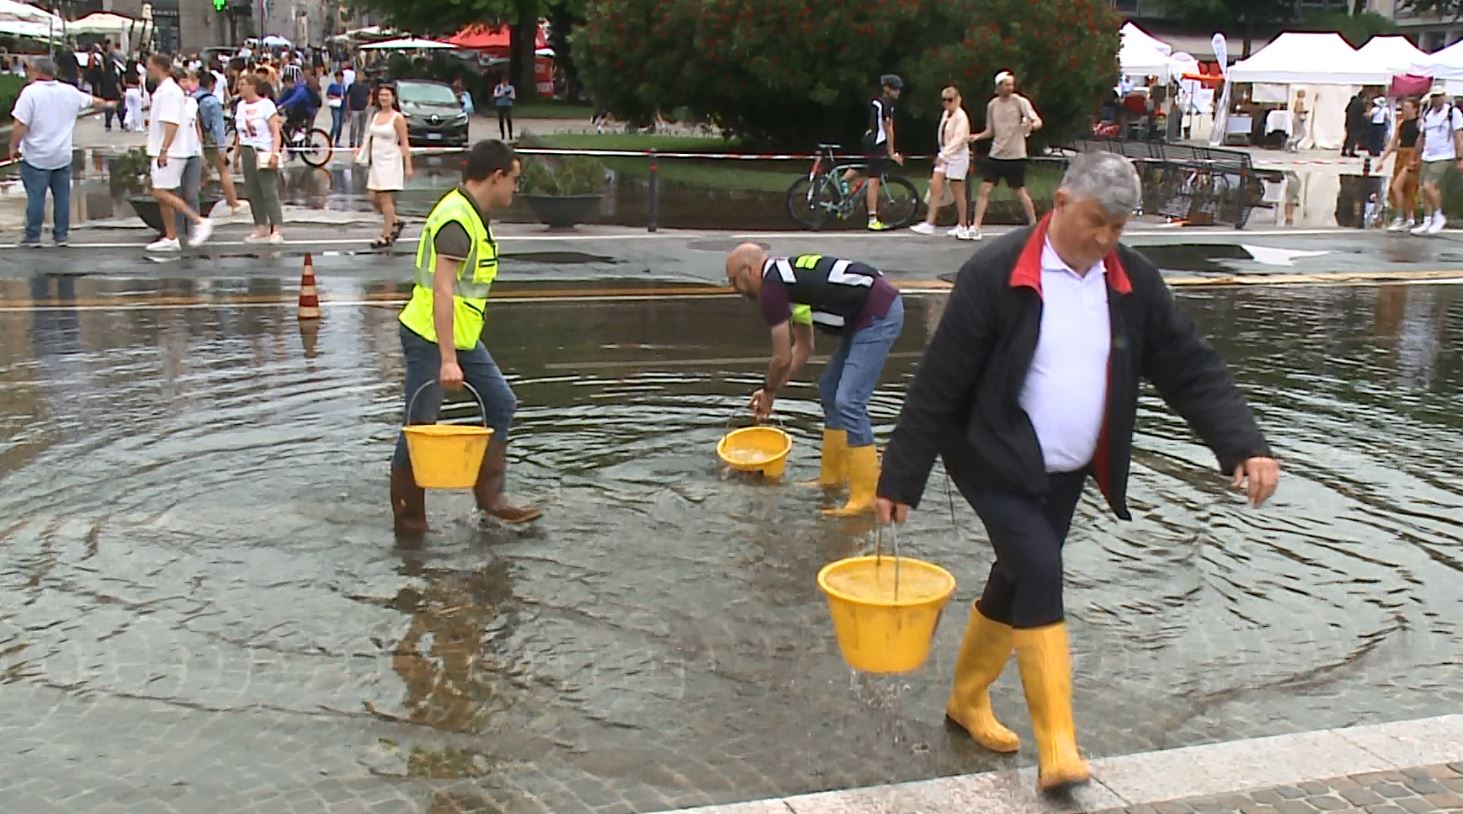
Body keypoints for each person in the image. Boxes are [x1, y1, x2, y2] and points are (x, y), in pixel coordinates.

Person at [873, 152, 1279, 795]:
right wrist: (900, 477)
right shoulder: (995, 272)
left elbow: (1189, 366)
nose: (1104, 239)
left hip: (1066, 470)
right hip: (991, 456)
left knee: (1016, 574)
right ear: (1060, 203)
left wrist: (1243, 445)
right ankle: (1058, 744)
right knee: (1040, 567)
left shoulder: (1133, 282)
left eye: (1119, 228)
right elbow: (939, 380)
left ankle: (966, 701)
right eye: (1095, 222)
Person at [390, 140, 541, 534]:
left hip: (460, 336)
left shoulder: (473, 214)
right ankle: (410, 524)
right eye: (514, 180)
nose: (515, 188)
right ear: (496, 177)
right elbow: (443, 290)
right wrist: (447, 359)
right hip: (430, 336)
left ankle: (490, 499)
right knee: (420, 425)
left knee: (501, 402)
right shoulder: (458, 219)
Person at [723, 246, 904, 516]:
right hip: (862, 317)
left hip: (878, 313)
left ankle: (865, 496)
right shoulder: (787, 281)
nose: (735, 289)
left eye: (734, 281)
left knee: (849, 401)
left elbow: (781, 357)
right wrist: (773, 391)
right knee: (829, 389)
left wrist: (769, 390)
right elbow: (804, 347)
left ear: (749, 271)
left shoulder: (772, 288)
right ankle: (832, 478)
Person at [7, 58, 114, 248]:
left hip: (36, 155)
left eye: (30, 70)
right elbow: (93, 102)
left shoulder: (30, 93)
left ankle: (33, 236)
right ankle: (61, 235)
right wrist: (108, 104)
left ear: (37, 72)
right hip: (61, 155)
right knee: (62, 197)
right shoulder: (69, 91)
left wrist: (14, 147)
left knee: (36, 196)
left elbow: (20, 124)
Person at [144, 55, 213, 252]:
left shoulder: (169, 92)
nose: (148, 71)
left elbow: (171, 122)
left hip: (171, 151)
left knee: (160, 191)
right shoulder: (165, 91)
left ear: (160, 68)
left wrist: (164, 149)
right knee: (164, 192)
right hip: (166, 148)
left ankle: (198, 220)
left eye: (150, 68)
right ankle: (171, 235)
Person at [968, 71, 1043, 241]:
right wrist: (977, 136)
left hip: (1016, 155)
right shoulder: (992, 105)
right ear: (999, 86)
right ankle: (976, 226)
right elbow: (991, 130)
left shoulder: (1020, 102)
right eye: (1006, 84)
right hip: (996, 154)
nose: (1010, 87)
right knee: (984, 189)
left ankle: (1034, 224)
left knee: (1020, 190)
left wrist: (1031, 126)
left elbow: (1037, 121)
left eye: (1012, 84)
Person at [911, 85, 972, 239]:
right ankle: (930, 222)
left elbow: (959, 139)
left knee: (957, 189)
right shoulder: (946, 114)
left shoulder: (961, 117)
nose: (947, 103)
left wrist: (945, 153)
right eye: (944, 100)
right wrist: (942, 152)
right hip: (945, 153)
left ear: (958, 100)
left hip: (957, 155)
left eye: (950, 100)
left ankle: (963, 224)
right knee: (935, 185)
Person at [359, 84, 413, 249]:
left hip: (391, 160)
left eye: (387, 95)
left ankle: (386, 234)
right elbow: (369, 137)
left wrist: (408, 164)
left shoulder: (397, 118)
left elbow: (404, 142)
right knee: (373, 197)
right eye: (381, 95)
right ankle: (395, 220)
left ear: (393, 98)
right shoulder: (376, 116)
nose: (383, 98)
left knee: (385, 197)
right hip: (377, 160)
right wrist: (362, 153)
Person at [234, 73, 285, 244]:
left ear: (252, 86)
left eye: (243, 84)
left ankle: (276, 227)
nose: (240, 87)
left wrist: (274, 153)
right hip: (247, 149)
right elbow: (239, 134)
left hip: (263, 149)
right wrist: (236, 155)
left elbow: (275, 131)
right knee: (253, 190)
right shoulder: (240, 106)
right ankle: (260, 225)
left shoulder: (266, 105)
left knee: (269, 190)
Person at [849, 74, 904, 231]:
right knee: (874, 180)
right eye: (894, 89)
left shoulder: (876, 101)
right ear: (887, 89)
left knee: (859, 165)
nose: (897, 92)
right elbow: (889, 130)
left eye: (898, 89)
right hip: (878, 143)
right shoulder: (887, 105)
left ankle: (842, 187)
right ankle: (872, 218)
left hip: (868, 138)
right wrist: (892, 152)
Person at [1411, 85, 1463, 236]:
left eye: (1439, 96)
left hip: (1444, 155)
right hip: (1428, 155)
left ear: (1444, 97)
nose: (1436, 99)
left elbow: (1458, 135)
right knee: (1423, 189)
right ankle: (1428, 220)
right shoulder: (1428, 114)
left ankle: (1439, 215)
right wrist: (1416, 155)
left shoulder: (1453, 113)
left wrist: (1460, 157)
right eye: (1434, 97)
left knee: (1430, 185)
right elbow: (1422, 136)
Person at [194, 71, 240, 214]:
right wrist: (222, 148)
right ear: (212, 84)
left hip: (195, 137)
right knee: (223, 171)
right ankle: (232, 201)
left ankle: (196, 199)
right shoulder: (213, 102)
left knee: (200, 171)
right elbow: (218, 127)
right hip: (211, 139)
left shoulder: (192, 98)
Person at [1380, 98, 1421, 232]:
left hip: (1412, 156)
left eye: (1408, 107)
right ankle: (1408, 217)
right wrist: (1382, 159)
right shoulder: (1401, 123)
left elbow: (1421, 141)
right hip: (1401, 156)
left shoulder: (1419, 124)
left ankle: (1401, 217)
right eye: (1404, 107)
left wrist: (1417, 157)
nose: (1405, 110)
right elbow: (1393, 143)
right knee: (1402, 189)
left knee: (1400, 187)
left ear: (1415, 109)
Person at [346, 74, 372, 148]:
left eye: (361, 76)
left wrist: (368, 105)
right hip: (354, 109)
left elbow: (370, 96)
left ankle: (360, 142)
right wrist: (348, 107)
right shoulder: (352, 86)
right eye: (359, 76)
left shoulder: (366, 86)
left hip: (364, 109)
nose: (360, 77)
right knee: (354, 126)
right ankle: (352, 141)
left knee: (362, 127)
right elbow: (348, 96)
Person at [1344, 89, 1368, 158]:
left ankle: (1344, 149)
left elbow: (1346, 110)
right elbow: (1364, 113)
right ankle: (1351, 151)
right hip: (1357, 123)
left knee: (1348, 136)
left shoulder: (1352, 102)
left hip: (1349, 122)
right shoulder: (1361, 104)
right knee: (1354, 137)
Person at [326, 70, 347, 146]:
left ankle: (337, 141)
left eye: (341, 77)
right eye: (338, 77)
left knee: (340, 125)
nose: (340, 78)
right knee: (336, 124)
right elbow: (328, 95)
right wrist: (337, 97)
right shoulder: (332, 85)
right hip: (335, 106)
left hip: (342, 106)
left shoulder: (343, 86)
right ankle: (330, 139)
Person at [1368, 93, 1392, 157]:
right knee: (1379, 139)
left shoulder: (1374, 109)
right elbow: (1387, 118)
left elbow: (1369, 115)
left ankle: (1371, 150)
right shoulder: (1385, 109)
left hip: (1374, 124)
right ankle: (1377, 151)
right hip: (1381, 125)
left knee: (1373, 138)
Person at [493, 75, 515, 141]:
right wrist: (501, 94)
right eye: (504, 82)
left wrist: (508, 96)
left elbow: (513, 96)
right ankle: (502, 135)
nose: (505, 83)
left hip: (508, 105)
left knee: (509, 119)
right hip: (500, 105)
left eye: (506, 82)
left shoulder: (511, 88)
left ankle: (510, 134)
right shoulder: (498, 87)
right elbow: (495, 95)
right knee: (501, 120)